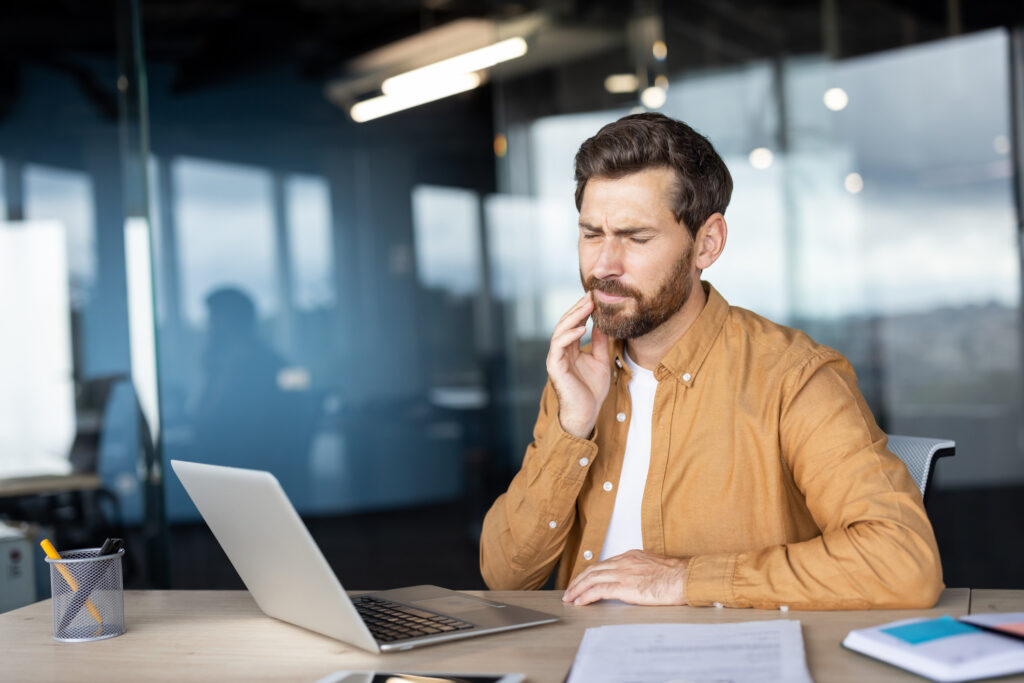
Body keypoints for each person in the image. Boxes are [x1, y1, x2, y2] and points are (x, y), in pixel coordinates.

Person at [478, 113, 943, 610]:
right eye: (592, 234)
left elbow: (903, 563)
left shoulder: (794, 377)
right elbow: (505, 575)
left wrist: (684, 580)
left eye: (636, 238)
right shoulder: (578, 376)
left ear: (707, 243)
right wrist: (572, 429)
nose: (602, 266)